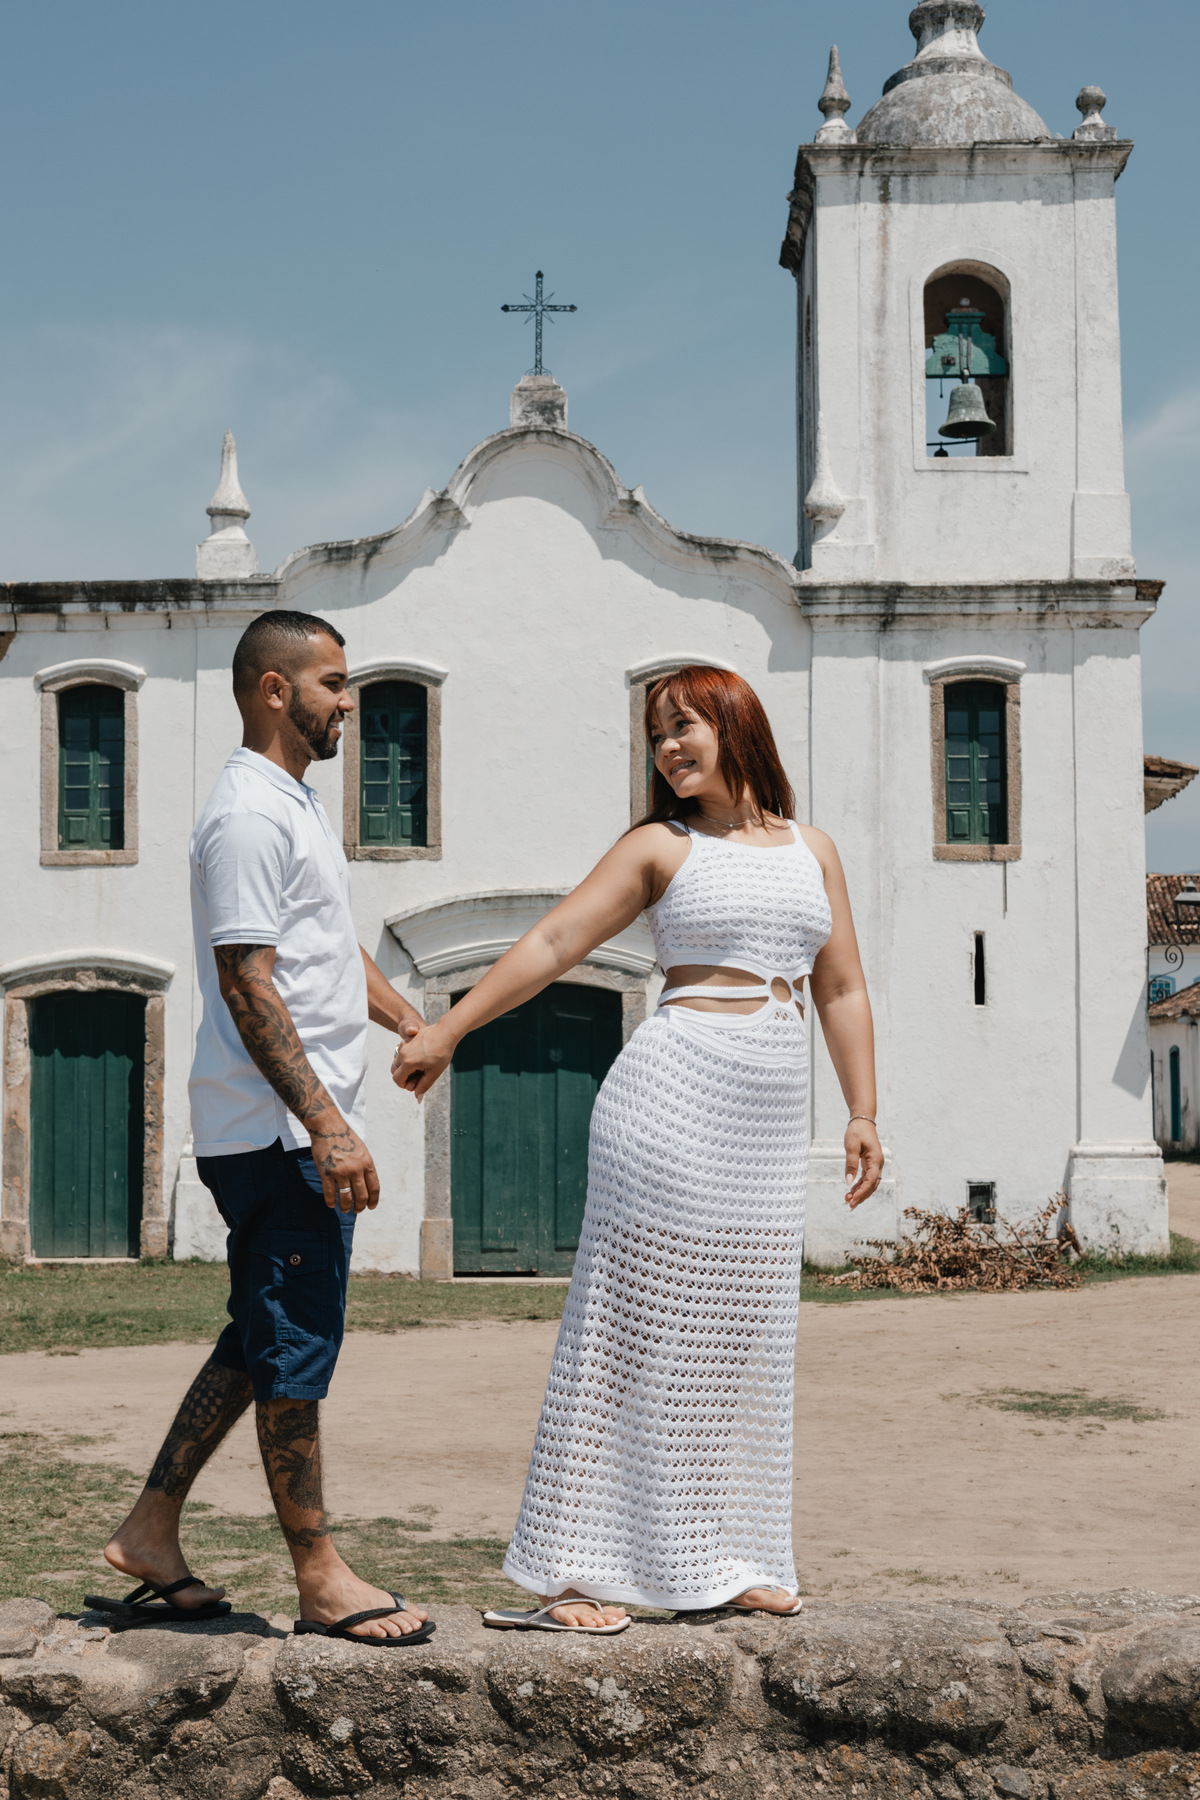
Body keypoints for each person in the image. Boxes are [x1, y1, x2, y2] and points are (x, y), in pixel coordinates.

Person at [392, 666, 882, 1632]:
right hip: (670, 1103)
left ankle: (722, 1558)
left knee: (739, 1339)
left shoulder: (813, 849)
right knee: (630, 1336)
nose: (668, 747)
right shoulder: (660, 845)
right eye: (657, 733)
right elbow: (554, 943)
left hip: (766, 1125)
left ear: (736, 725)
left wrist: (863, 1110)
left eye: (684, 724)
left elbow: (841, 986)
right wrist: (449, 1029)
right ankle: (567, 1574)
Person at [91, 610, 432, 1644]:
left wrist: (408, 1019)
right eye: (333, 683)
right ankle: (319, 1576)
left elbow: (323, 947)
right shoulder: (246, 814)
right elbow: (249, 983)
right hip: (277, 1135)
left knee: (257, 1336)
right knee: (294, 1345)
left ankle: (150, 1530)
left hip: (285, 1130)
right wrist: (326, 1126)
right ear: (275, 690)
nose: (348, 702)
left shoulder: (293, 805)